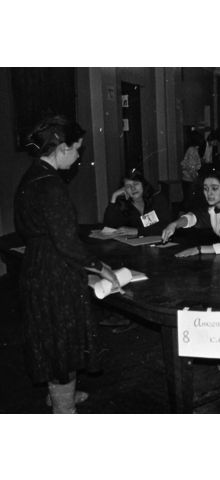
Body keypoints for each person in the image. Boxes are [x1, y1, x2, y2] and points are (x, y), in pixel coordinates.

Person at [14, 114, 120, 413]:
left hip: (37, 266)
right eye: (77, 149)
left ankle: (59, 395)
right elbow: (67, 243)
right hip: (54, 272)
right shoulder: (51, 186)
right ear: (62, 148)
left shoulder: (32, 176)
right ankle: (64, 410)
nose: (78, 157)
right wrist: (101, 267)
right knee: (64, 342)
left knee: (50, 338)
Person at [161, 171, 220, 257]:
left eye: (214, 188)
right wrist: (174, 224)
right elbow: (194, 217)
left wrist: (198, 249)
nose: (209, 193)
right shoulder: (212, 210)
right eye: (206, 189)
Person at [103, 168, 171, 237]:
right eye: (128, 186)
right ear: (124, 189)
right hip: (132, 242)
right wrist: (114, 197)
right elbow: (108, 228)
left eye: (136, 184)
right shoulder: (123, 204)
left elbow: (166, 227)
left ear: (143, 184)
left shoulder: (157, 199)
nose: (133, 188)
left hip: (159, 240)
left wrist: (137, 231)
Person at [181, 132, 203, 210]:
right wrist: (195, 179)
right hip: (190, 178)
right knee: (190, 201)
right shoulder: (192, 150)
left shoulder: (191, 149)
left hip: (187, 178)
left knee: (188, 200)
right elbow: (191, 167)